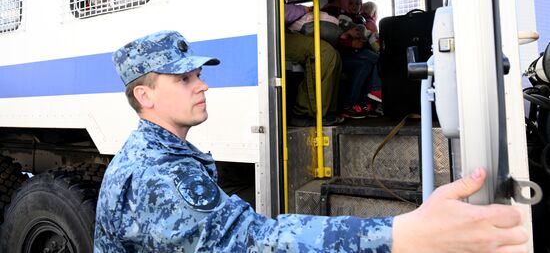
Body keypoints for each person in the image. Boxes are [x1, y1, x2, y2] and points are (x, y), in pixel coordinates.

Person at [94, 29, 528, 252]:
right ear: (144, 95)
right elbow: (248, 242)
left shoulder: (157, 153)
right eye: (184, 78)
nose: (202, 85)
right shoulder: (157, 175)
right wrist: (400, 235)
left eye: (200, 74)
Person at [279, 0, 343, 126]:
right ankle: (304, 112)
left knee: (334, 54)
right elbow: (279, 13)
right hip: (273, 39)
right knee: (322, 51)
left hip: (285, 33)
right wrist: (304, 9)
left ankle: (326, 110)